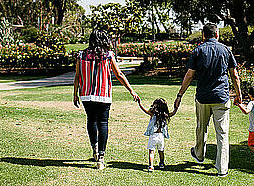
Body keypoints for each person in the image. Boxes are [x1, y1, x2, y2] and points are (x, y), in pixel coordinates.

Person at [173, 23, 242, 177]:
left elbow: (189, 75)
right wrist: (239, 94)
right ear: (217, 34)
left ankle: (199, 154)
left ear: (203, 35)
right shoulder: (226, 50)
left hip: (203, 97)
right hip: (221, 97)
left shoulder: (198, 50)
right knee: (222, 134)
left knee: (201, 127)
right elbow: (234, 75)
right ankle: (222, 169)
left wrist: (180, 95)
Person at [73, 28, 139, 170]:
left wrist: (75, 94)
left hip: (86, 94)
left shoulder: (81, 55)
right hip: (103, 94)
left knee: (91, 120)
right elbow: (119, 74)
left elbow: (77, 76)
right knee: (103, 123)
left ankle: (95, 149)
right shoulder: (108, 55)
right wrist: (131, 90)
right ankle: (101, 158)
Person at [137, 97, 177, 172]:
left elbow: (144, 110)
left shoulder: (152, 114)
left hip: (153, 136)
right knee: (161, 151)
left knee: (151, 152)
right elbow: (173, 113)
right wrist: (176, 108)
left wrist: (140, 103)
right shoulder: (165, 115)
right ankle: (161, 163)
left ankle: (151, 166)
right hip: (161, 136)